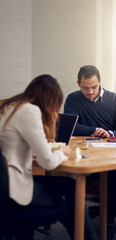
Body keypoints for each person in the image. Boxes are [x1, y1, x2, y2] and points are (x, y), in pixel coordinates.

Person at [0, 74, 98, 240]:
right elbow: (48, 163)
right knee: (62, 205)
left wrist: (41, 146)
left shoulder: (10, 106)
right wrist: (63, 152)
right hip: (12, 185)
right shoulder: (30, 111)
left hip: (4, 180)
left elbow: (12, 144)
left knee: (70, 185)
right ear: (50, 100)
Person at [64, 65, 116, 233]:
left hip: (115, 153)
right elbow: (71, 127)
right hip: (90, 155)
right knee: (114, 172)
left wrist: (108, 132)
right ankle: (106, 225)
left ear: (100, 82)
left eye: (94, 87)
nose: (90, 91)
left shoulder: (115, 100)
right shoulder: (73, 99)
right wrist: (94, 130)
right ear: (78, 83)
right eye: (85, 88)